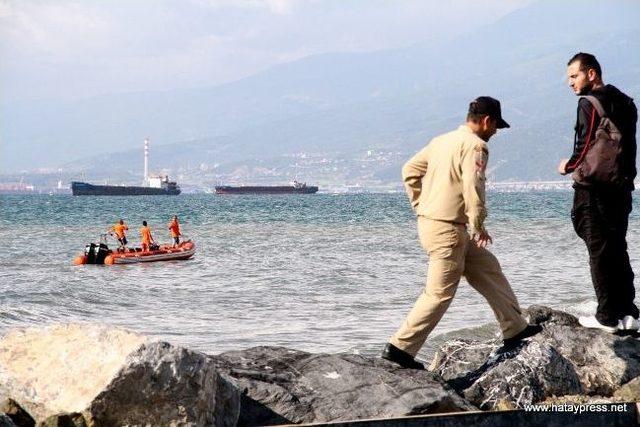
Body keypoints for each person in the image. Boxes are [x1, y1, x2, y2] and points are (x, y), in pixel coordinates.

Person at [382, 96, 542, 370]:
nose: (495, 133)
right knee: (438, 294)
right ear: (486, 121)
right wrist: (478, 224)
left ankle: (515, 327)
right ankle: (400, 349)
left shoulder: (441, 141)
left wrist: (421, 204)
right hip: (448, 230)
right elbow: (474, 186)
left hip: (438, 225)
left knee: (487, 267)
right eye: (495, 127)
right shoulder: (476, 146)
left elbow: (409, 171)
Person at [557, 52, 638, 333]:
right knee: (617, 246)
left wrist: (567, 166)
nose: (570, 82)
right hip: (622, 186)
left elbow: (583, 143)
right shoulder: (626, 102)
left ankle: (606, 316)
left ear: (591, 74)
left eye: (574, 75)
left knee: (598, 249)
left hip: (593, 188)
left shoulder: (588, 103)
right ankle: (628, 313)